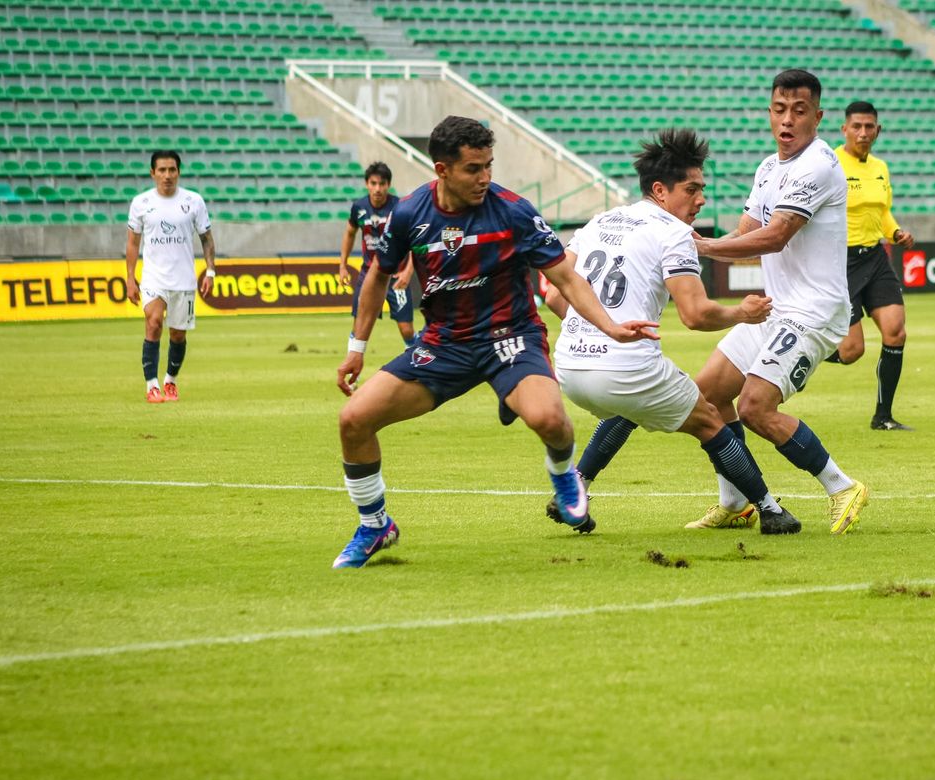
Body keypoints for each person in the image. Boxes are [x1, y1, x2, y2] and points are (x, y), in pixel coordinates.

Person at [331, 116, 658, 568]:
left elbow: (565, 274)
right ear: (441, 170)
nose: (485, 177)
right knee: (353, 420)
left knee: (550, 420)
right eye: (472, 169)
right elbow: (377, 277)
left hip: (511, 338)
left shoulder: (513, 210)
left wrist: (611, 326)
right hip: (443, 345)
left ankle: (565, 477)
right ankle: (375, 526)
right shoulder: (409, 213)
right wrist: (357, 347)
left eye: (488, 165)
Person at [573, 70, 870, 535]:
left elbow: (774, 238)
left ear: (818, 116)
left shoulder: (819, 165)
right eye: (778, 110)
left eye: (798, 111)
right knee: (709, 395)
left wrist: (701, 247)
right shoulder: (770, 169)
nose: (786, 120)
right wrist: (690, 247)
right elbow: (748, 234)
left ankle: (841, 486)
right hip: (774, 308)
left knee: (755, 406)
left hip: (813, 312)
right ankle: (735, 503)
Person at [546, 129, 801, 534]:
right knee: (711, 420)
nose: (701, 199)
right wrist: (742, 313)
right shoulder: (674, 232)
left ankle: (575, 488)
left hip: (571, 368)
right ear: (661, 191)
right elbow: (696, 315)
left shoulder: (601, 220)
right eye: (692, 189)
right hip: (624, 367)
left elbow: (553, 290)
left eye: (702, 189)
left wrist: (591, 328)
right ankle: (769, 510)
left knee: (625, 410)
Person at [829, 100, 916, 431]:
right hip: (841, 260)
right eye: (857, 127)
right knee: (851, 351)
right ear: (845, 129)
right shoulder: (831, 163)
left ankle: (883, 417)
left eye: (869, 127)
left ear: (878, 130)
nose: (863, 133)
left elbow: (882, 212)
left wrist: (895, 232)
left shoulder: (880, 166)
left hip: (876, 256)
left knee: (896, 331)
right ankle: (802, 359)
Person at [125, 150, 215, 403]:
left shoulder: (193, 201)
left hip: (184, 279)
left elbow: (206, 238)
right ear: (152, 173)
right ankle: (152, 386)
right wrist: (130, 277)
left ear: (179, 172)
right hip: (154, 278)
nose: (167, 175)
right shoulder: (141, 203)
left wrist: (210, 271)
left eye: (172, 170)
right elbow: (133, 243)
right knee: (153, 323)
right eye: (162, 170)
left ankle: (170, 380)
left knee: (178, 334)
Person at [338, 161, 416, 348]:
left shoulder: (400, 207)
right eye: (373, 183)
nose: (378, 189)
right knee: (359, 327)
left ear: (388, 185)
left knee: (406, 329)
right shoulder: (359, 207)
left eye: (382, 184)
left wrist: (408, 272)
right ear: (367, 184)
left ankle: (418, 363)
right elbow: (350, 233)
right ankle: (352, 373)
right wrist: (342, 265)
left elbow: (415, 241)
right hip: (368, 275)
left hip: (395, 275)